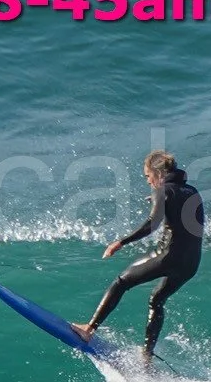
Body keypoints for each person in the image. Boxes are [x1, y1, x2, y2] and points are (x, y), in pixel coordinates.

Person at [74, 151, 203, 362]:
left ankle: (88, 329)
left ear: (158, 174)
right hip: (191, 263)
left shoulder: (162, 191)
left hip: (168, 256)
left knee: (121, 282)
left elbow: (152, 224)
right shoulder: (192, 191)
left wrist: (120, 242)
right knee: (157, 300)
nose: (148, 181)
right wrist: (159, 200)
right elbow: (179, 207)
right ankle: (147, 357)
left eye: (148, 176)